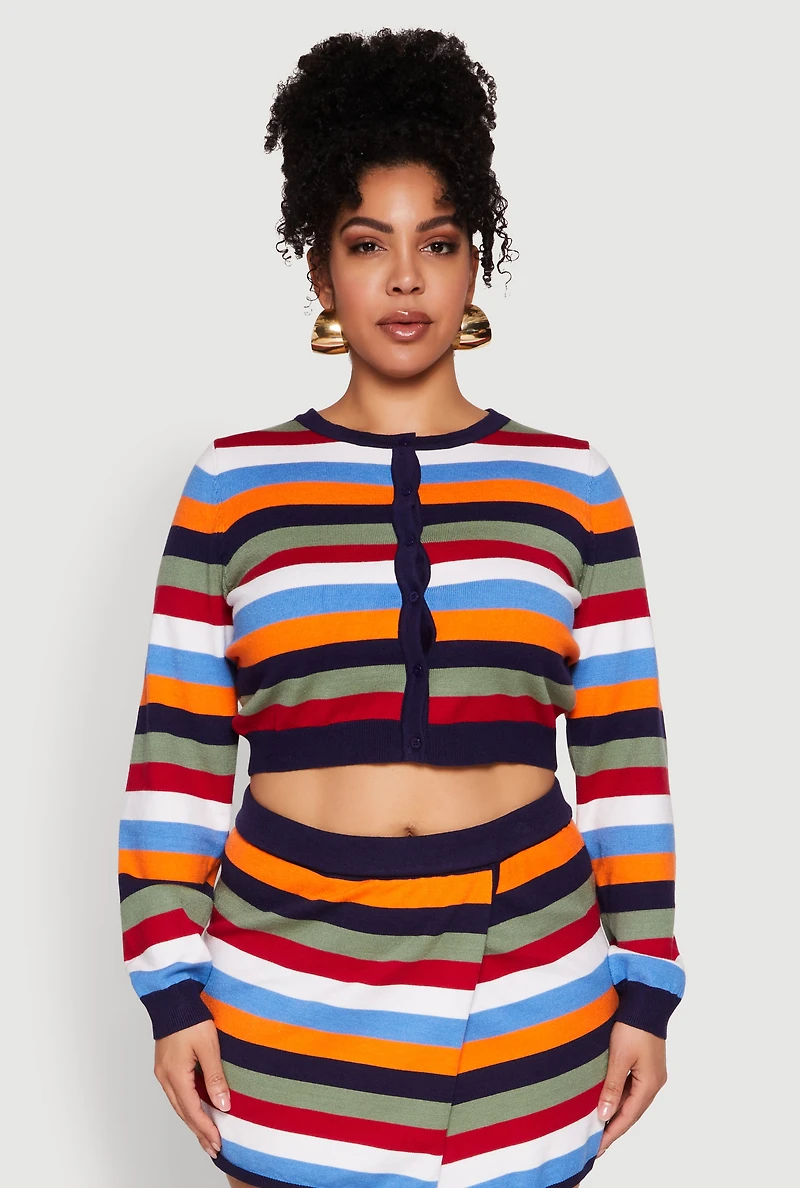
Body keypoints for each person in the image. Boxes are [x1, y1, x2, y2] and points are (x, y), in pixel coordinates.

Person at [118, 27, 685, 1188]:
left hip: (528, 990)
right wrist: (171, 991)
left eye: (438, 241)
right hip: (285, 994)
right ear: (320, 271)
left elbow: (624, 759)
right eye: (365, 243)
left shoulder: (571, 485)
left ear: (476, 260)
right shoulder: (232, 485)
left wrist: (646, 989)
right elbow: (175, 761)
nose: (406, 279)